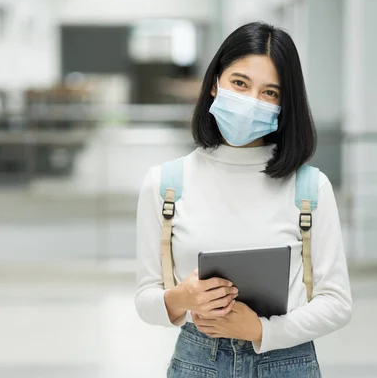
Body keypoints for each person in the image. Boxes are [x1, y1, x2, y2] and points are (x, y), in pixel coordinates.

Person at [135, 22, 352, 377]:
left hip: (286, 362)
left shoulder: (310, 188)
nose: (251, 102)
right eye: (240, 83)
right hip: (197, 360)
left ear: (285, 105)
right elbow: (146, 300)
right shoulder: (165, 185)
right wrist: (182, 298)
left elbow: (337, 303)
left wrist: (261, 331)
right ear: (214, 84)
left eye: (270, 92)